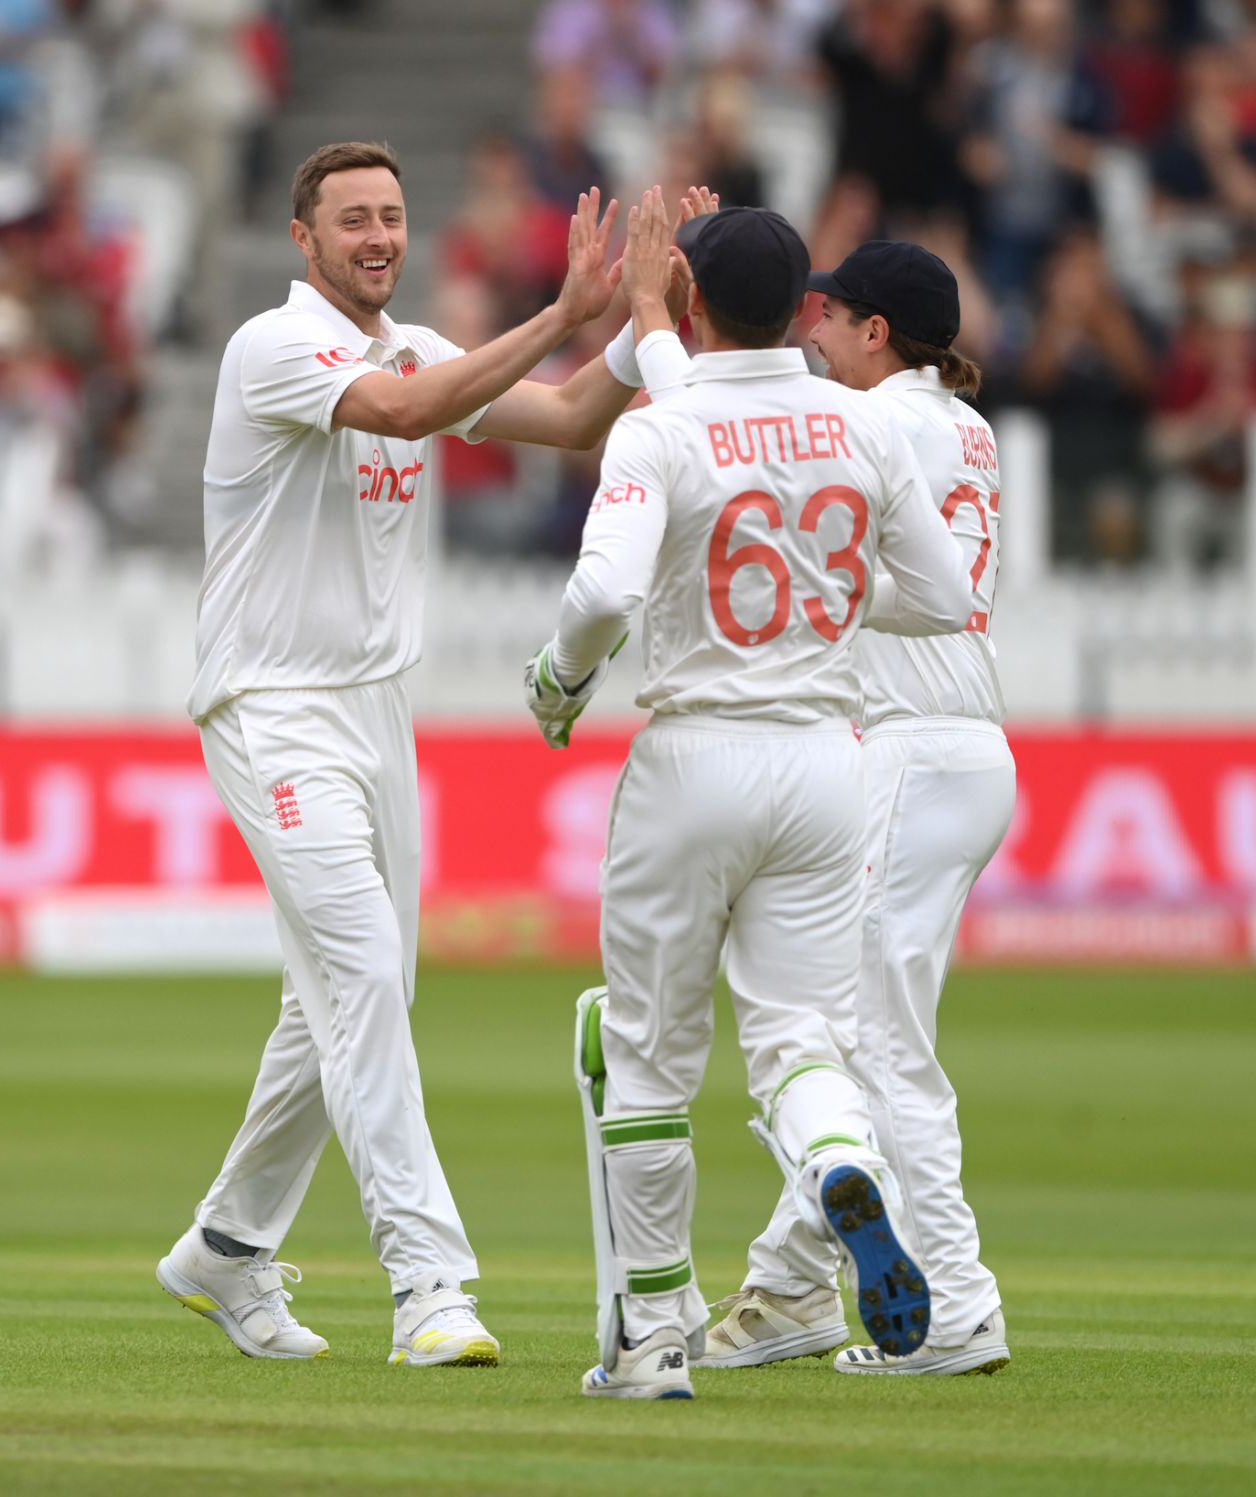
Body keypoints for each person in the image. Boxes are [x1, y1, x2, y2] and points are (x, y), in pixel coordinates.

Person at [156, 140, 656, 1370]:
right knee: (366, 978)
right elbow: (407, 412)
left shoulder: (417, 343)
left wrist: (641, 319)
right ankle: (429, 1283)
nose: (377, 237)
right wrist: (557, 311)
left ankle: (225, 1248)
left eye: (391, 215)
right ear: (303, 240)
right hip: (272, 706)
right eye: (351, 221)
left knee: (335, 999)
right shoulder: (272, 348)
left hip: (375, 712)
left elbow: (578, 414)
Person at [525, 193, 975, 1399]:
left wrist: (556, 683)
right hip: (828, 762)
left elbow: (604, 600)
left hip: (696, 757)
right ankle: (839, 1162)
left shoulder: (659, 430)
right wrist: (813, 587)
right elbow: (940, 596)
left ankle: (653, 1339)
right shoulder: (861, 423)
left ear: (692, 302)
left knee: (647, 1058)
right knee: (798, 1040)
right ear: (804, 310)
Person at [702, 240, 1016, 1377]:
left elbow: (764, 469)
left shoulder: (877, 424)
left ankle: (957, 1309)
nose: (807, 333)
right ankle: (789, 1286)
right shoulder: (959, 425)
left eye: (824, 315)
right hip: (962, 749)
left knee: (875, 1047)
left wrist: (669, 321)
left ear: (873, 331)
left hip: (906, 750)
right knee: (848, 1042)